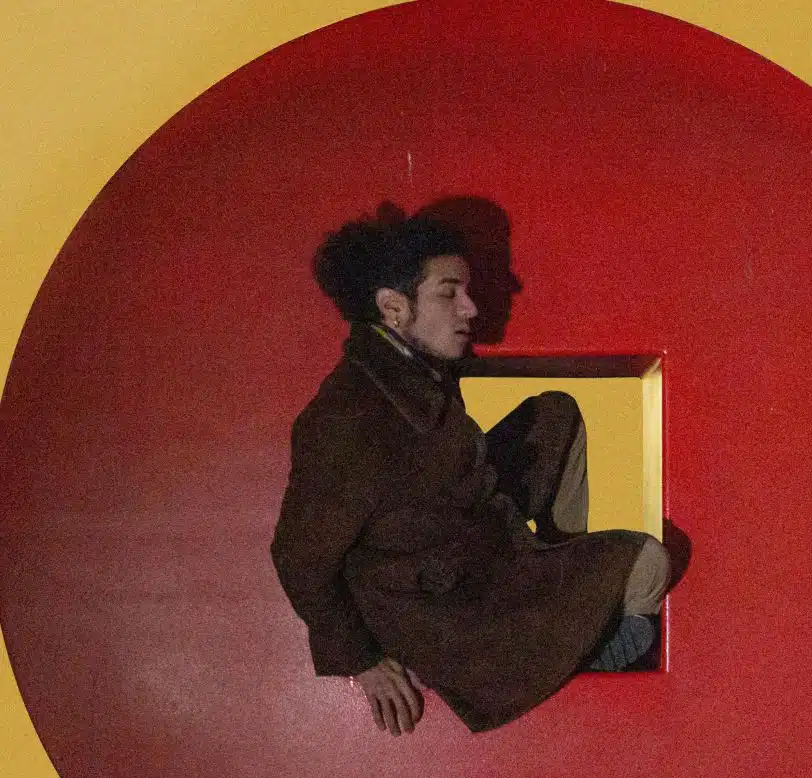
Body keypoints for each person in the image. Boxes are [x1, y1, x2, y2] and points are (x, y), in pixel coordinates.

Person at [271, 209, 671, 734]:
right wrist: (361, 659)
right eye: (449, 293)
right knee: (648, 562)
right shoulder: (350, 415)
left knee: (555, 415)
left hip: (476, 551)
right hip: (451, 613)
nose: (471, 307)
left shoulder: (413, 373)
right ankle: (569, 642)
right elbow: (298, 556)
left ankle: (567, 612)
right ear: (393, 307)